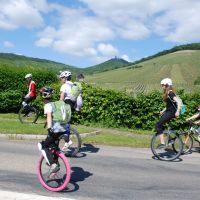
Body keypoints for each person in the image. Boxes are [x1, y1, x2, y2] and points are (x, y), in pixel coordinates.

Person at [37, 86, 71, 173]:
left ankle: (53, 164)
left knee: (43, 146)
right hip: (64, 129)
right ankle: (56, 162)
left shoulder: (47, 105)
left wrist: (49, 128)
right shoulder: (56, 103)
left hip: (56, 130)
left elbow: (49, 116)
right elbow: (55, 116)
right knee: (55, 147)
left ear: (43, 97)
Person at [156, 78, 182, 148]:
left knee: (158, 125)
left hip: (171, 112)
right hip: (169, 111)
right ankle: (170, 139)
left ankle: (162, 143)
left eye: (162, 85)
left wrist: (177, 111)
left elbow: (178, 101)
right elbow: (170, 105)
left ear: (167, 85)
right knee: (161, 125)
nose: (162, 86)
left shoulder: (170, 93)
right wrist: (163, 111)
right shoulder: (168, 93)